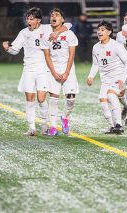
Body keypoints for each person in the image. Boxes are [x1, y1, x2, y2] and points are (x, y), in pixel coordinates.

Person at [3, 7, 71, 136]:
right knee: (29, 99)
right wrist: (7, 48)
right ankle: (32, 128)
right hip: (28, 69)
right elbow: (15, 50)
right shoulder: (23, 32)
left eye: (32, 19)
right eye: (27, 19)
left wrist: (57, 32)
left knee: (41, 99)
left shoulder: (46, 28)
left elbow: (68, 24)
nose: (29, 21)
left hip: (43, 69)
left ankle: (45, 125)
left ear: (38, 20)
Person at [87, 20, 127, 134]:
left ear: (109, 32)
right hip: (105, 80)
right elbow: (95, 64)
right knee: (103, 101)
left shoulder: (116, 46)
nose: (99, 32)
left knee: (111, 96)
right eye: (98, 30)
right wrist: (91, 76)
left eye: (103, 30)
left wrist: (123, 78)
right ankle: (113, 126)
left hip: (118, 77)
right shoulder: (96, 47)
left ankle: (119, 125)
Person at [41, 8, 79, 136]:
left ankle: (64, 117)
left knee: (71, 98)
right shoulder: (46, 33)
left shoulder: (70, 34)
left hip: (68, 69)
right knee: (53, 98)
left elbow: (72, 54)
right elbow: (47, 56)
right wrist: (53, 72)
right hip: (53, 69)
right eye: (52, 15)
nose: (53, 17)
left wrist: (67, 72)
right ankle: (53, 127)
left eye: (57, 15)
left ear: (62, 19)